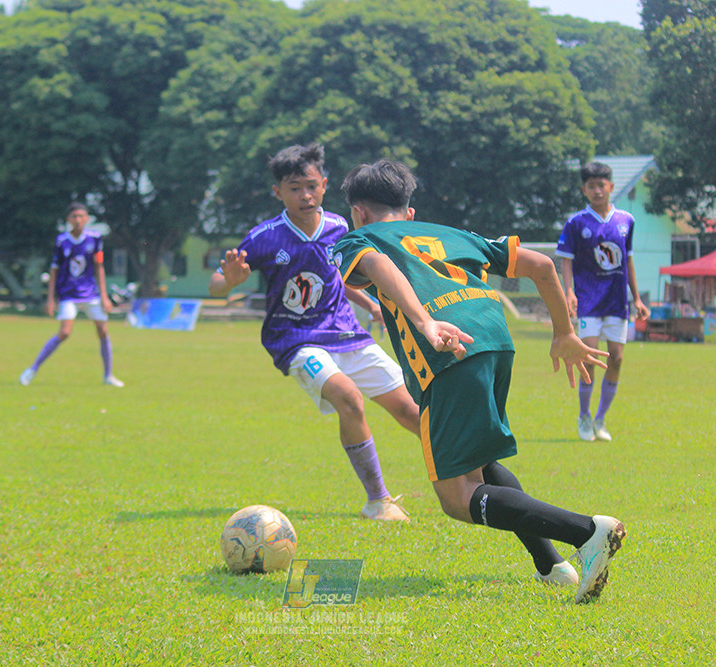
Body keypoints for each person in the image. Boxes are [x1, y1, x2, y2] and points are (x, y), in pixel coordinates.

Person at [335, 158, 625, 603]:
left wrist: (425, 321)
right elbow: (543, 268)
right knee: (481, 464)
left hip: (447, 351)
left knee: (456, 497)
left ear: (358, 212)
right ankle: (551, 566)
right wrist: (564, 332)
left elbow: (376, 267)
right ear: (410, 213)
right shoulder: (453, 234)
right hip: (493, 340)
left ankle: (588, 532)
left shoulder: (358, 238)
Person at [209, 144, 419, 522]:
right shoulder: (264, 238)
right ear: (278, 193)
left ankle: (474, 480)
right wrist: (229, 282)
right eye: (293, 188)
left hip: (347, 334)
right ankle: (379, 501)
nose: (304, 195)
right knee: (349, 398)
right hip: (296, 341)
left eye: (310, 185)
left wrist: (370, 304)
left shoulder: (340, 228)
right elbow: (217, 283)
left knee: (412, 412)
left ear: (323, 185)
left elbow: (338, 275)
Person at [555, 161, 650, 442]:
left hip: (616, 301)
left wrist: (637, 297)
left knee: (617, 359)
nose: (597, 190)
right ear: (584, 189)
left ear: (611, 187)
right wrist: (569, 293)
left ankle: (600, 420)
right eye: (591, 186)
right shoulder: (576, 223)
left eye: (602, 185)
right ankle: (584, 417)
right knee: (592, 357)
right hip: (589, 300)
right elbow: (566, 261)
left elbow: (628, 260)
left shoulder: (626, 221)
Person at [20, 202, 123, 387]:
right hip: (68, 294)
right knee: (65, 332)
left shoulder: (95, 238)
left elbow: (99, 267)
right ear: (69, 219)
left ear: (87, 219)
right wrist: (50, 299)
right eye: (74, 217)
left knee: (103, 330)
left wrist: (104, 295)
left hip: (91, 294)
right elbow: (54, 270)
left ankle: (108, 375)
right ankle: (32, 370)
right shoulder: (62, 241)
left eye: (81, 216)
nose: (78, 220)